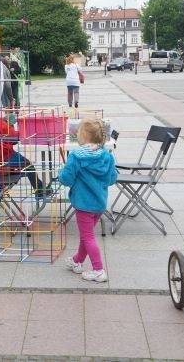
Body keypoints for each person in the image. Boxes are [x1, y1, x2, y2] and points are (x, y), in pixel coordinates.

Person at [59, 118, 118, 282]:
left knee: (88, 237)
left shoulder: (76, 157)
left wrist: (61, 174)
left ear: (83, 136)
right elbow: (112, 178)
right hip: (99, 203)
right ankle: (77, 261)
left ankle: (98, 270)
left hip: (84, 204)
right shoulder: (106, 155)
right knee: (87, 235)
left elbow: (67, 179)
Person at [0, 116, 49, 198]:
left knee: (1, 170)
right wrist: (10, 126)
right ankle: (39, 190)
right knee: (28, 166)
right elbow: (14, 139)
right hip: (6, 157)